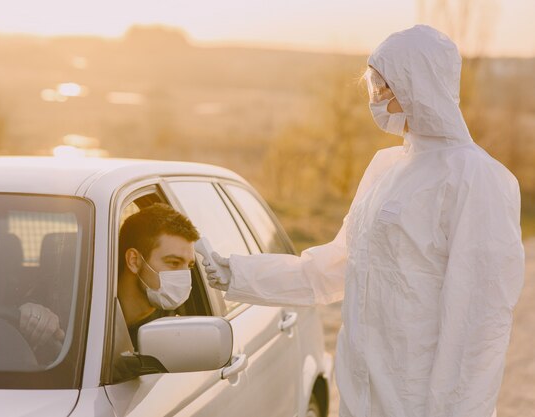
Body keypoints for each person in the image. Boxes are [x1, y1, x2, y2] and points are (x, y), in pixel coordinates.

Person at [205, 25, 524, 417]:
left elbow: (478, 325)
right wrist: (234, 273)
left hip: (419, 406)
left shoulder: (476, 179)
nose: (375, 97)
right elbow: (333, 270)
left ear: (418, 85)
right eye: (373, 84)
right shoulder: (385, 169)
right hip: (360, 402)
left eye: (384, 85)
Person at [117, 203, 199, 349]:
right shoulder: (81, 317)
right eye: (174, 263)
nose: (185, 276)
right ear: (134, 261)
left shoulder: (173, 329)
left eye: (189, 266)